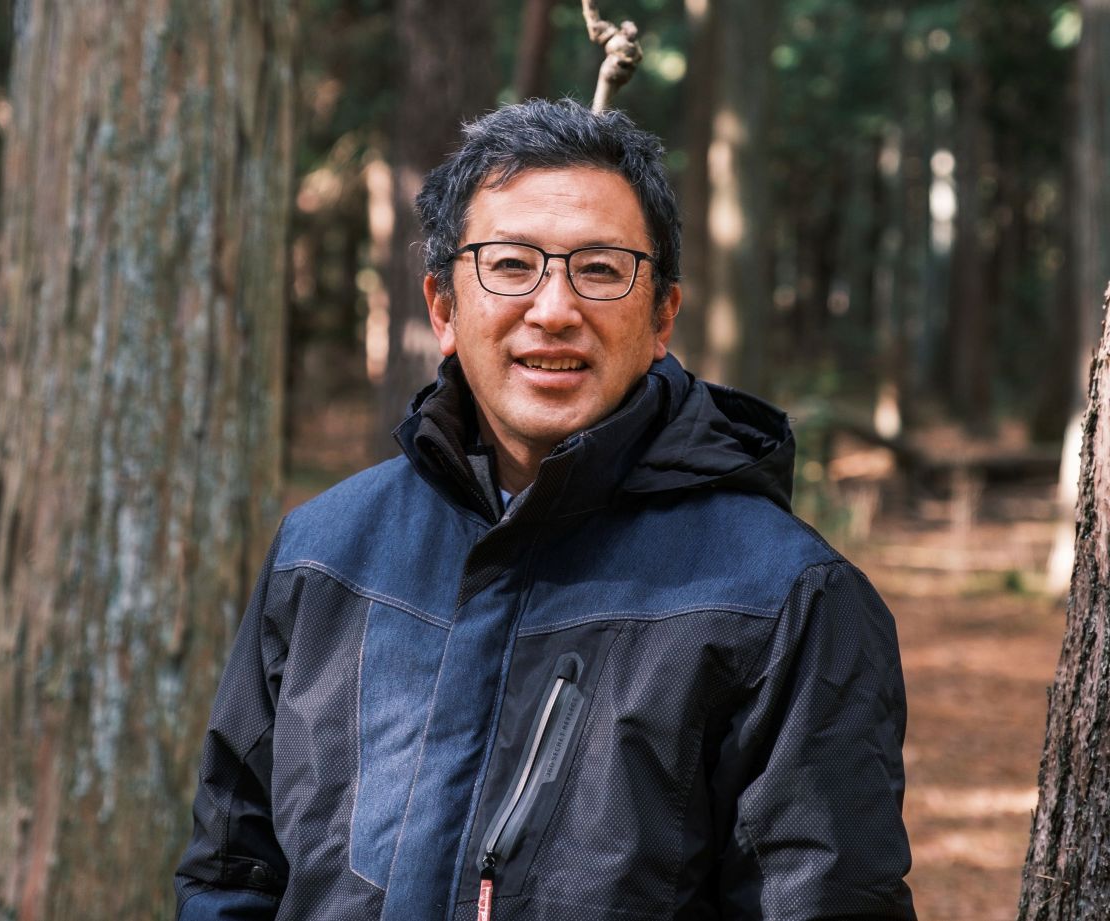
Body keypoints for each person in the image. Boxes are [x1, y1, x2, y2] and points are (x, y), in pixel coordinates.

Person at [174, 99, 916, 921]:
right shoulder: (325, 553)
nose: (555, 309)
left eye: (599, 269)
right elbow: (232, 871)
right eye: (510, 263)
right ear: (443, 308)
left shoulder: (783, 599)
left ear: (662, 317)